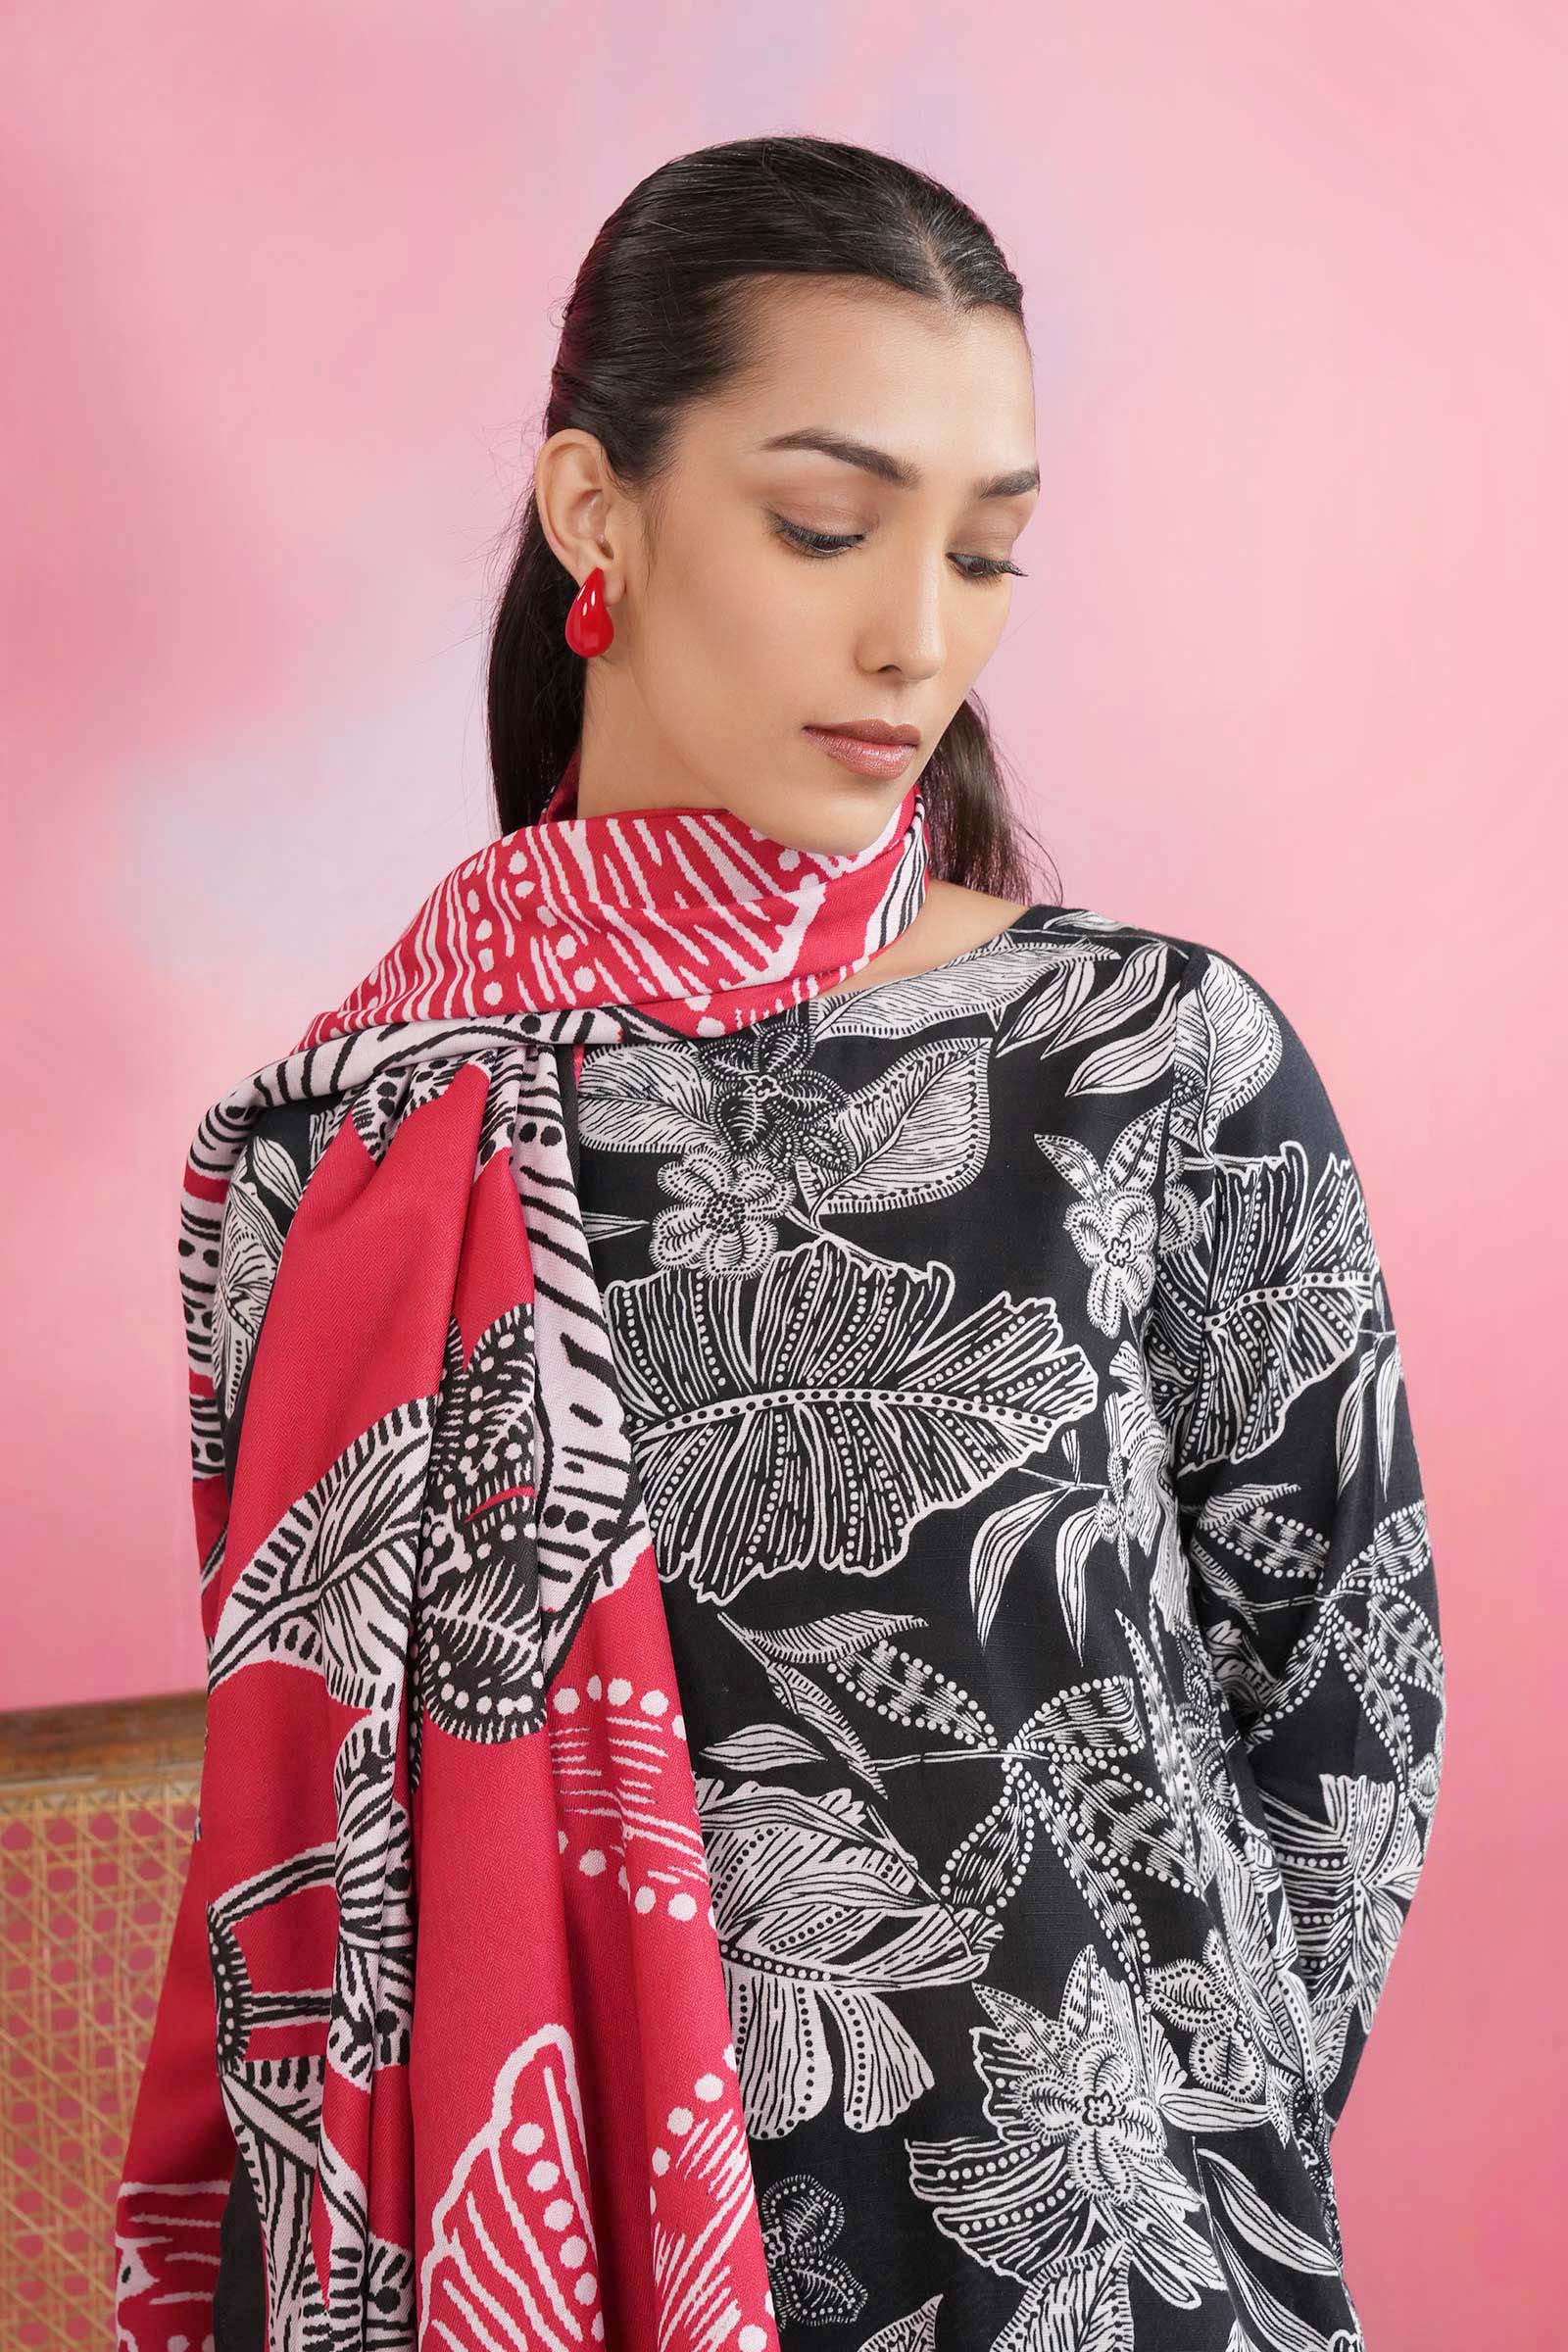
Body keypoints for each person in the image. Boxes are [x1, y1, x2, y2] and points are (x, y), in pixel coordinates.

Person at [113, 134, 1445, 2352]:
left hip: (1079, 2267)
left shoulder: (1138, 1060)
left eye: (985, 552)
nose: (917, 635)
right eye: (827, 526)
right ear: (595, 511)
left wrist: (1182, 2156)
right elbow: (324, 1874)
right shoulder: (329, 1154)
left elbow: (1346, 1690)